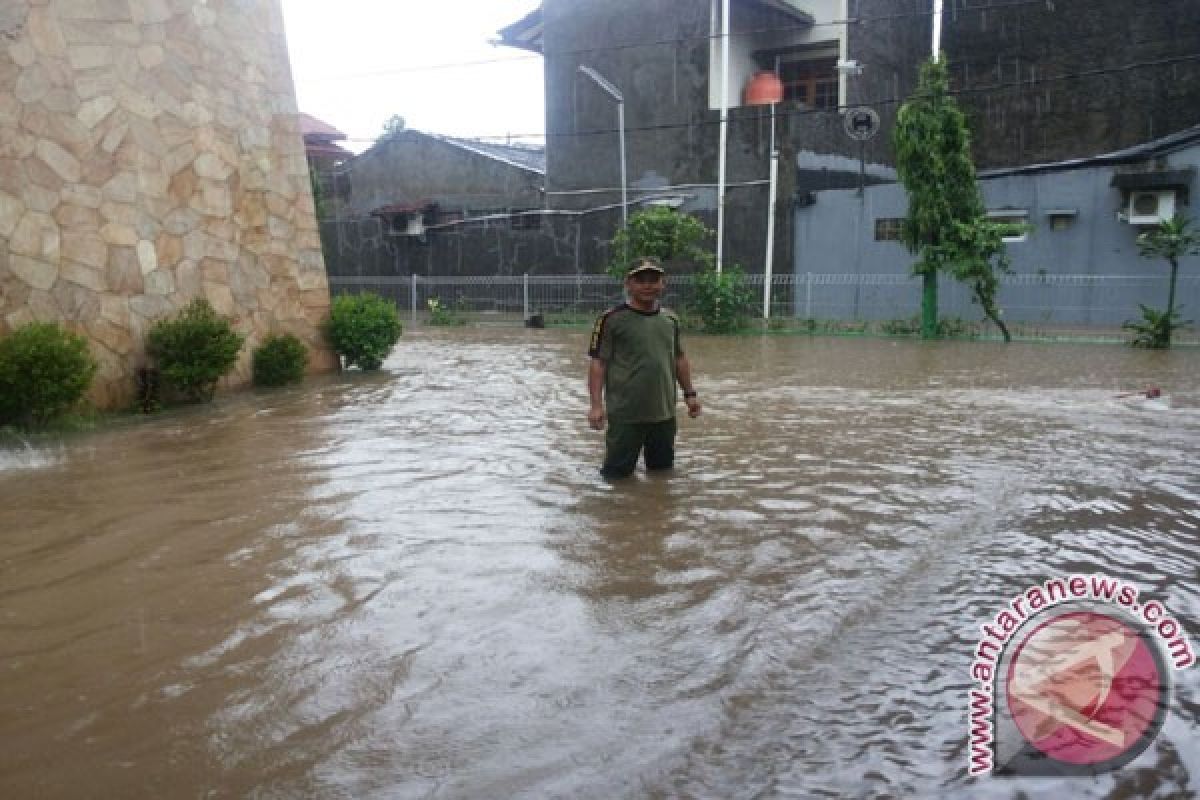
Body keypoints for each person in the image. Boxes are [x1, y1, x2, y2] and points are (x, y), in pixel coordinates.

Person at [587, 256, 702, 479]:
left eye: (654, 279)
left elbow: (679, 358)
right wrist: (595, 406)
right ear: (628, 284)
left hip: (664, 414)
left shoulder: (670, 320)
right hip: (626, 414)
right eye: (640, 280)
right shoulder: (611, 319)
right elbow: (598, 363)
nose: (647, 285)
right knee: (616, 478)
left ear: (663, 283)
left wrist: (690, 394)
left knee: (662, 475)